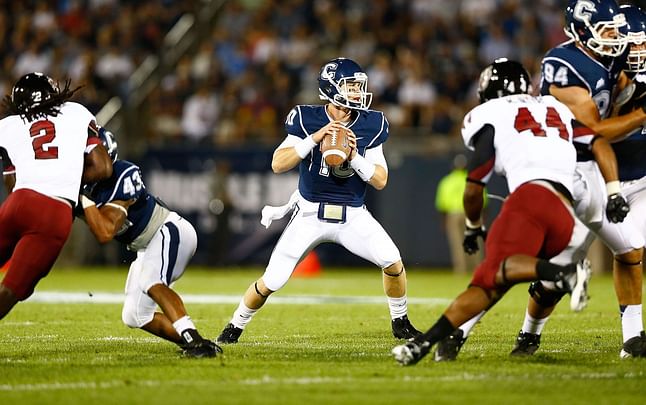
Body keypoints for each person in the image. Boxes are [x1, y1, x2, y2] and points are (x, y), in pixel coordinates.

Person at [433, 0, 646, 362]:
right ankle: (458, 331)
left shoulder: (614, 59)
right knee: (514, 260)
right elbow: (594, 131)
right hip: (565, 171)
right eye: (621, 37)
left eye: (632, 39)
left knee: (625, 251)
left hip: (596, 171)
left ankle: (631, 339)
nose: (630, 47)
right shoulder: (566, 65)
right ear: (582, 32)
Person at [392, 58, 624, 366]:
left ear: (488, 90)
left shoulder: (491, 113)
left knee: (492, 276)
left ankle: (562, 273)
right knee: (499, 276)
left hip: (531, 199)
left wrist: (474, 226)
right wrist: (614, 191)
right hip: (567, 213)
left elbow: (475, 183)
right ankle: (434, 343)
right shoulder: (555, 109)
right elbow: (599, 144)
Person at [216, 57, 420, 344]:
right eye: (351, 86)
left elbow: (380, 179)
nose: (357, 92)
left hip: (353, 214)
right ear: (332, 87)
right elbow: (278, 163)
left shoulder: (372, 123)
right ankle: (234, 327)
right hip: (310, 213)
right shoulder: (305, 117)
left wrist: (353, 157)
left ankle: (401, 322)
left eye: (358, 86)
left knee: (392, 261)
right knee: (272, 280)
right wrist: (314, 138)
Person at [77, 128, 221, 358]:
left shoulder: (123, 173)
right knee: (134, 315)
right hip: (146, 245)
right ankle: (201, 342)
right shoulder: (84, 188)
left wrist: (84, 200)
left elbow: (105, 233)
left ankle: (194, 342)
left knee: (151, 281)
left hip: (168, 230)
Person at [0, 72, 113, 320]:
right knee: (11, 290)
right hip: (53, 210)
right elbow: (103, 168)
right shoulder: (76, 112)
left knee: (20, 285)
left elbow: (12, 183)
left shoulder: (8, 125)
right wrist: (68, 177)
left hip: (17, 202)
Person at [435, 153, 482, 274]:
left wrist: (444, 221)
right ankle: (477, 269)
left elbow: (442, 204)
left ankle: (461, 270)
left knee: (457, 243)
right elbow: (483, 200)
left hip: (454, 214)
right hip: (471, 213)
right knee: (474, 241)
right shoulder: (473, 179)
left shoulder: (447, 181)